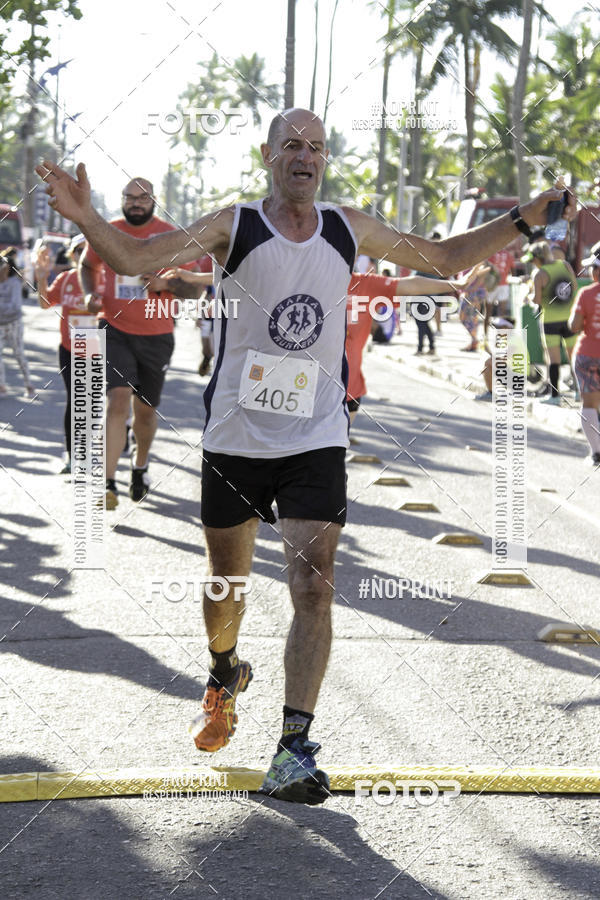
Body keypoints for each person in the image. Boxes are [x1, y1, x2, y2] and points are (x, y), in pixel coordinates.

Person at [37, 108, 576, 805]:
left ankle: (294, 746)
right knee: (226, 586)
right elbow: (138, 260)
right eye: (291, 145)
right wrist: (86, 217)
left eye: (316, 147)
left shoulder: (349, 227)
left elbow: (444, 259)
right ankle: (225, 669)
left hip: (316, 434)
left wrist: (525, 220)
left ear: (324, 160)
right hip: (236, 437)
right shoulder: (235, 225)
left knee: (314, 585)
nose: (304, 156)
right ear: (268, 155)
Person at [78, 177, 184, 509]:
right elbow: (87, 265)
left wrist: (165, 285)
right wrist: (89, 293)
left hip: (157, 336)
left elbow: (195, 288)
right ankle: (107, 484)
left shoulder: (170, 235)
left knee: (146, 412)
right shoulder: (108, 231)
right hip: (114, 328)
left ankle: (139, 467)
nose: (135, 202)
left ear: (154, 200)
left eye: (142, 197)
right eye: (130, 197)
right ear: (122, 199)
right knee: (117, 401)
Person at [346, 263, 488, 424]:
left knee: (339, 442)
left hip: (350, 391)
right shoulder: (319, 282)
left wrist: (457, 284)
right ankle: (427, 345)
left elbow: (412, 284)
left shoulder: (364, 284)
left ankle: (428, 346)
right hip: (319, 389)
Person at [35, 234, 97, 473]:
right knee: (76, 400)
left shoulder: (103, 278)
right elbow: (45, 303)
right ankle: (73, 456)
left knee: (93, 403)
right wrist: (42, 278)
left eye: (88, 250)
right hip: (69, 348)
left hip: (98, 347)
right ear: (72, 255)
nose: (84, 255)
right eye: (79, 251)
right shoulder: (66, 279)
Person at [524, 240, 577, 405]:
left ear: (537, 259)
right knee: (573, 357)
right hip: (570, 318)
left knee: (554, 360)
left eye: (532, 260)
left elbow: (537, 300)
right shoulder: (565, 265)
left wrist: (529, 296)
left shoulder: (539, 274)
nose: (532, 263)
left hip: (550, 321)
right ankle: (579, 392)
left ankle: (555, 396)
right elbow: (574, 287)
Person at [568, 240, 600, 465]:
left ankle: (596, 453)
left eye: (592, 267)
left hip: (588, 354)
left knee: (589, 404)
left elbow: (574, 325)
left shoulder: (586, 293)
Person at [0, 248, 34, 398]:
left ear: (7, 268)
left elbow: (15, 307)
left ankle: (29, 385)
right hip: (0, 324)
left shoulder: (14, 283)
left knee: (19, 354)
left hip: (14, 323)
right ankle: (1, 386)